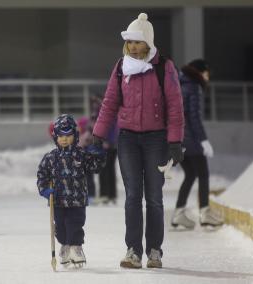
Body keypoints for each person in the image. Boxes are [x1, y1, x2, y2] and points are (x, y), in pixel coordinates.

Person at [92, 13, 184, 269]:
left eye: (137, 41)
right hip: (128, 139)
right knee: (133, 196)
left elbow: (175, 107)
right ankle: (133, 250)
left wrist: (175, 141)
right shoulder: (121, 67)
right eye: (129, 42)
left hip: (156, 139)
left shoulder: (163, 67)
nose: (132, 46)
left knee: (153, 197)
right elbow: (109, 102)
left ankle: (154, 250)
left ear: (148, 42)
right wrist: (98, 134)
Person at [37, 114, 106, 267]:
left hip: (77, 200)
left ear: (75, 136)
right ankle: (65, 246)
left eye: (68, 136)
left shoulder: (80, 154)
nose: (64, 139)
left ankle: (76, 248)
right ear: (55, 137)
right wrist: (44, 191)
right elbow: (42, 175)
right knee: (60, 227)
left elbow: (94, 167)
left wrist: (98, 154)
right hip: (58, 201)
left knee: (75, 224)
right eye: (61, 136)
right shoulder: (50, 158)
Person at [171, 59, 223, 229]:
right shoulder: (194, 87)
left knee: (191, 174)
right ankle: (205, 212)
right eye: (206, 74)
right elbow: (194, 117)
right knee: (203, 174)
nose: (207, 78)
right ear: (200, 73)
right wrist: (203, 140)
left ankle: (179, 212)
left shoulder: (178, 84)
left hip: (178, 139)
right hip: (191, 138)